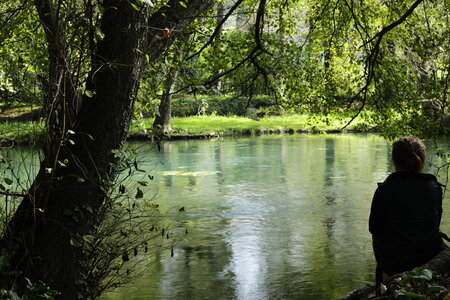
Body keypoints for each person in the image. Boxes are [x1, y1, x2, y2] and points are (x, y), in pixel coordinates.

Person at [369, 136, 447, 290]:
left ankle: (384, 279)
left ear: (395, 161)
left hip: (395, 262)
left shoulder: (384, 190)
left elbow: (374, 228)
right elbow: (435, 223)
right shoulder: (434, 187)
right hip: (429, 256)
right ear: (421, 161)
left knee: (378, 236)